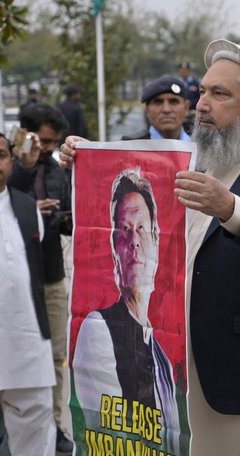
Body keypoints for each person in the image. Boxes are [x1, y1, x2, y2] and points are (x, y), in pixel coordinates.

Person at [62, 38, 240, 455]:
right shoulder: (185, 161)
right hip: (173, 373)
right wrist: (81, 156)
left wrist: (232, 208)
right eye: (201, 91)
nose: (202, 103)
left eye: (220, 94)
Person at [73, 168, 180, 452]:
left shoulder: (162, 360)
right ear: (113, 248)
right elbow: (106, 435)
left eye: (142, 228)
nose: (134, 240)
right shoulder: (99, 328)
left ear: (156, 241)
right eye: (124, 230)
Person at [7, 103, 73, 452]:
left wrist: (62, 218)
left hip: (50, 276)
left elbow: (65, 213)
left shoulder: (59, 169)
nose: (47, 148)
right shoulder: (13, 166)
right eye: (43, 140)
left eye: (53, 142)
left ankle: (57, 424)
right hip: (16, 286)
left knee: (57, 358)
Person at [0, 132, 57, 455]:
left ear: (11, 160)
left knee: (34, 426)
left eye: (1, 154)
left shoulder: (26, 208)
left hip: (26, 337)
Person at [123, 75, 191, 141]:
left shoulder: (199, 147)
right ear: (147, 109)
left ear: (186, 107)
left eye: (173, 102)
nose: (166, 110)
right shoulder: (128, 148)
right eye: (158, 102)